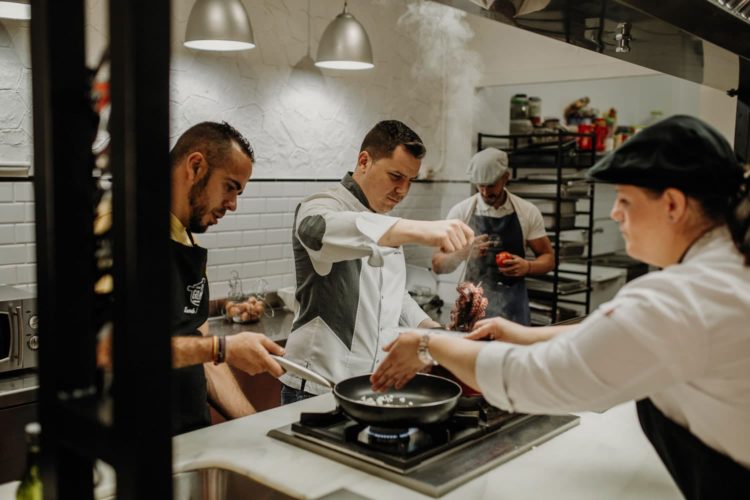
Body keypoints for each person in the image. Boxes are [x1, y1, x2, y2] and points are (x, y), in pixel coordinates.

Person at [371, 115, 750, 498]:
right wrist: (527, 334)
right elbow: (622, 334)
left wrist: (427, 344)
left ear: (672, 204)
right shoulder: (727, 270)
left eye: (625, 200)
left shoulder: (682, 297)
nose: (615, 213)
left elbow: (532, 378)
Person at [97, 121, 286, 434]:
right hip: (130, 450)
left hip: (191, 442)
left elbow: (204, 358)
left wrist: (259, 429)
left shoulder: (188, 246)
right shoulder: (121, 228)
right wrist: (221, 348)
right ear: (196, 166)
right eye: (230, 187)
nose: (233, 205)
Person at [279, 120, 474, 403]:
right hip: (315, 387)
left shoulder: (385, 221)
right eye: (396, 176)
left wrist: (431, 329)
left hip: (370, 388)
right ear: (364, 161)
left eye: (410, 181)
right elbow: (316, 229)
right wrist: (421, 229)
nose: (403, 191)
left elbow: (394, 295)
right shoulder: (322, 205)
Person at [432, 147, 554, 324]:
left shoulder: (527, 212)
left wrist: (528, 266)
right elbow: (437, 265)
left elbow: (549, 258)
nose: (485, 192)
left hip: (514, 304)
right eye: (480, 186)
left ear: (506, 177)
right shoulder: (461, 213)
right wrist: (463, 253)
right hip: (473, 303)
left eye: (491, 185)